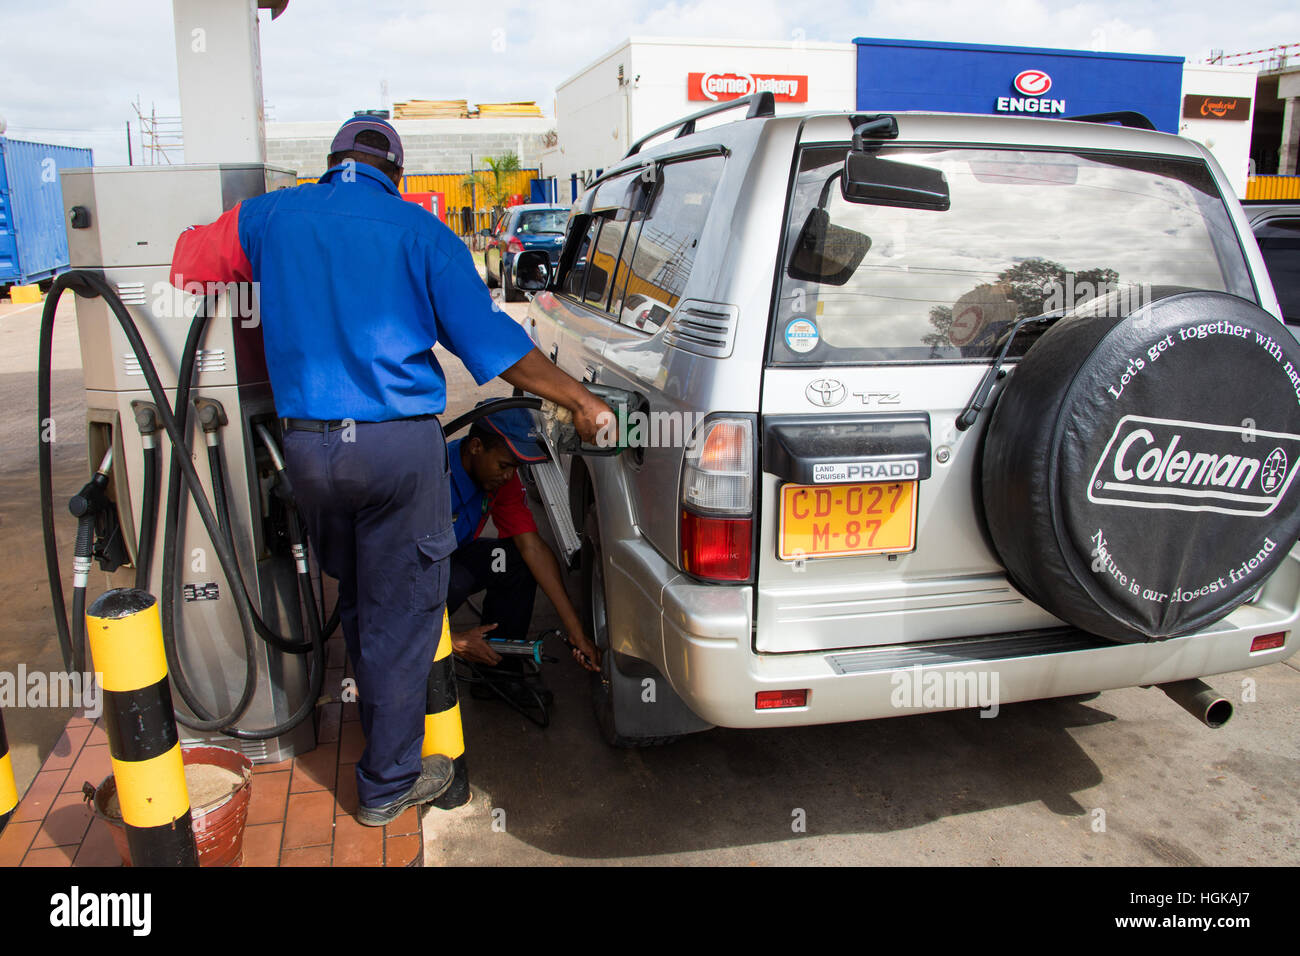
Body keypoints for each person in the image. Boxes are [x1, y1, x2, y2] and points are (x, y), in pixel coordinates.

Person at [168, 115, 610, 827]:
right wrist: (580, 399)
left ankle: (370, 711)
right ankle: (388, 783)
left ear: (332, 162)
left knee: (361, 599)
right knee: (402, 620)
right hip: (396, 454)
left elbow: (186, 267)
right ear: (394, 176)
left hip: (308, 452)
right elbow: (494, 346)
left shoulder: (271, 215)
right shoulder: (422, 234)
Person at [446, 406, 599, 693]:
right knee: (442, 588)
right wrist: (452, 641)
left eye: (515, 467)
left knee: (514, 562)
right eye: (505, 465)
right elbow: (387, 583)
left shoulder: (498, 479)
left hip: (446, 562)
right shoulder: (429, 482)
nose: (509, 476)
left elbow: (532, 548)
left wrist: (576, 631)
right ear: (476, 447)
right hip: (405, 582)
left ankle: (497, 678)